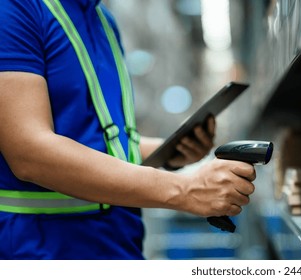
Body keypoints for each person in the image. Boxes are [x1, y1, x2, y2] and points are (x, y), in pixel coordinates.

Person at [0, 0, 256, 259]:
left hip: (117, 244)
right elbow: (28, 153)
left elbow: (102, 141)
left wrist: (169, 151)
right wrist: (185, 189)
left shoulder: (104, 21)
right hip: (42, 250)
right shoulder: (14, 9)